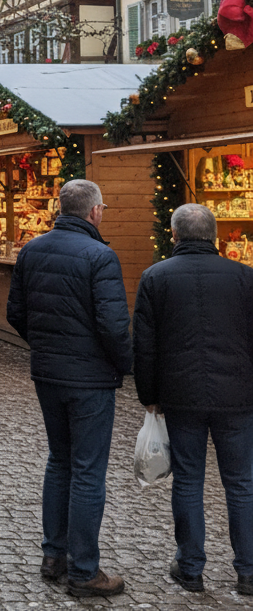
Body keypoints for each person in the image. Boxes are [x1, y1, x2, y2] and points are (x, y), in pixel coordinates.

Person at [7, 178, 131, 598]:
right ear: (94, 211)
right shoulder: (101, 256)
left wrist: (44, 345)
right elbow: (114, 326)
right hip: (90, 379)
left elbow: (16, 313)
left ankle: (53, 554)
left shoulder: (33, 250)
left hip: (48, 373)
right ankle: (83, 570)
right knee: (87, 471)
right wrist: (124, 365)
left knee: (60, 461)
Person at [132, 203, 253, 596]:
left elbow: (144, 345)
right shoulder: (244, 277)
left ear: (174, 235)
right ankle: (249, 572)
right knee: (241, 484)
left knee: (188, 480)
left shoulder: (155, 277)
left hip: (181, 396)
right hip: (238, 395)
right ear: (215, 235)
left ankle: (191, 567)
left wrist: (149, 396)